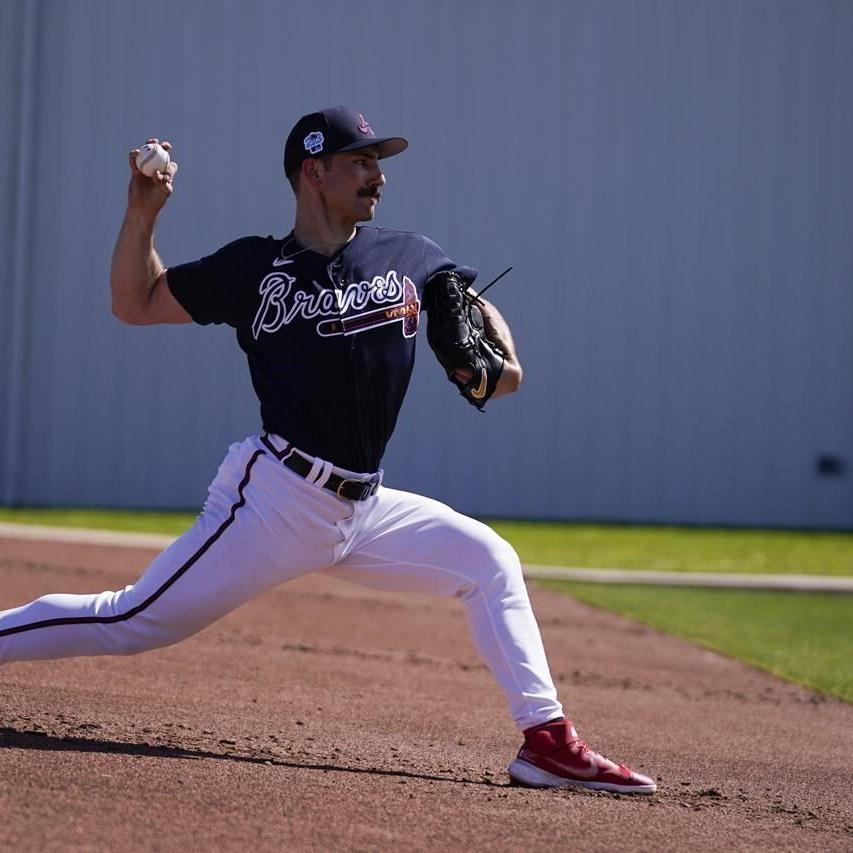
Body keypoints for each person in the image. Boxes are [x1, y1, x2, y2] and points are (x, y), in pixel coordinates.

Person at [0, 106, 655, 794]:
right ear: (314, 171)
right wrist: (143, 214)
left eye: (378, 162)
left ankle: (547, 743)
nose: (378, 176)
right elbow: (134, 302)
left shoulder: (408, 253)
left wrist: (499, 357)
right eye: (362, 161)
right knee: (131, 619)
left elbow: (466, 298)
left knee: (487, 559)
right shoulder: (253, 266)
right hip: (277, 499)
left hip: (364, 507)